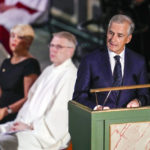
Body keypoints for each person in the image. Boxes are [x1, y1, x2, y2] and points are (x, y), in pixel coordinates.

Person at [0, 31, 77, 150]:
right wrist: (19, 122)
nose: (53, 50)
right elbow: (30, 101)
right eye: (51, 45)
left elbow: (58, 118)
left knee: (2, 142)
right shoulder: (49, 70)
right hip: (24, 125)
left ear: (70, 50)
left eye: (58, 46)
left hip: (42, 136)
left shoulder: (70, 76)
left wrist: (29, 126)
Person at [73, 14, 149, 110]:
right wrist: (96, 107)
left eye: (119, 35)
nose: (113, 39)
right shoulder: (89, 60)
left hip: (128, 122)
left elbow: (145, 95)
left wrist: (138, 102)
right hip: (99, 121)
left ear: (128, 39)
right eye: (111, 33)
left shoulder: (138, 61)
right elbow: (78, 97)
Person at [0, 24, 41, 123]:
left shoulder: (30, 64)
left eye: (19, 37)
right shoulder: (6, 62)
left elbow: (29, 97)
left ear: (28, 42)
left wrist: (7, 110)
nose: (14, 40)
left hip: (15, 115)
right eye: (12, 36)